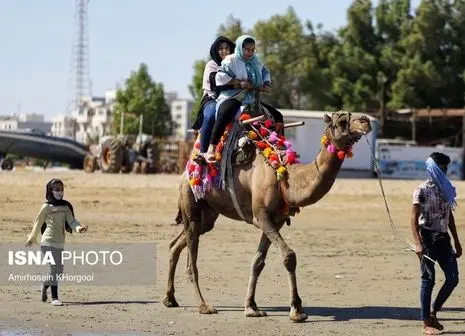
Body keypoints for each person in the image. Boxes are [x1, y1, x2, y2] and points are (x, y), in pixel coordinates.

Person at [204, 34, 284, 163]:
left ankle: (280, 147)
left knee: (277, 115)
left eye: (253, 50)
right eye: (247, 49)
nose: (250, 52)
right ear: (241, 48)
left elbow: (265, 72)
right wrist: (238, 82)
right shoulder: (231, 60)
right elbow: (219, 77)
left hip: (252, 98)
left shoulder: (256, 61)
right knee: (225, 112)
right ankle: (211, 147)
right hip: (233, 96)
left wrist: (266, 84)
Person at [410, 152, 462, 334]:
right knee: (428, 279)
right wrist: (418, 243)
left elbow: (450, 217)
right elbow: (414, 219)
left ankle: (434, 311)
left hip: (443, 239)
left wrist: (456, 240)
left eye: (446, 168)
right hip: (426, 239)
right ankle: (426, 323)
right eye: (441, 168)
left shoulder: (447, 190)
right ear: (433, 169)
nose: (444, 172)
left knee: (453, 278)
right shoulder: (421, 190)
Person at [26, 178, 88, 306]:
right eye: (56, 189)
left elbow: (72, 221)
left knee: (58, 270)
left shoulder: (65, 207)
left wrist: (78, 228)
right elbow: (38, 223)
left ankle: (45, 285)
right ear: (50, 190)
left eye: (61, 189)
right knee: (55, 268)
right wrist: (32, 238)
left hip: (59, 243)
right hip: (47, 243)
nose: (59, 192)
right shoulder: (46, 207)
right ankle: (54, 298)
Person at [191, 35, 236, 162]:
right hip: (212, 99)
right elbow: (215, 82)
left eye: (227, 48)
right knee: (211, 115)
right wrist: (236, 83)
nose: (224, 51)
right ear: (216, 51)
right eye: (220, 49)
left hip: (230, 99)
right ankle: (203, 152)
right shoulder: (212, 64)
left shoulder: (235, 66)